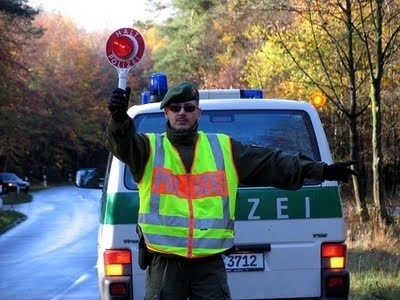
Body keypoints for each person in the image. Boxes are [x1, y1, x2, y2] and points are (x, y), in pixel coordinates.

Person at [105, 82, 357, 300]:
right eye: (175, 108)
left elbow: (272, 162)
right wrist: (119, 120)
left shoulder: (223, 148)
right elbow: (122, 144)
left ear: (198, 113)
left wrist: (321, 171)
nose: (182, 113)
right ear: (166, 113)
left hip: (209, 264)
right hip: (164, 264)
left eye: (189, 108)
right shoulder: (148, 149)